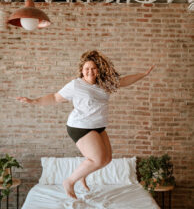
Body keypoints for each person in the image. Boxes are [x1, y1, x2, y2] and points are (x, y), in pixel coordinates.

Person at [17, 50, 154, 199]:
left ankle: (83, 173)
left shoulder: (105, 83)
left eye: (93, 68)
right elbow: (55, 98)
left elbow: (124, 80)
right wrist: (34, 100)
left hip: (98, 126)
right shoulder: (76, 85)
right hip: (80, 126)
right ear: (82, 70)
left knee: (107, 159)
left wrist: (143, 75)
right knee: (98, 159)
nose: (90, 71)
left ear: (99, 69)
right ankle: (69, 182)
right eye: (87, 68)